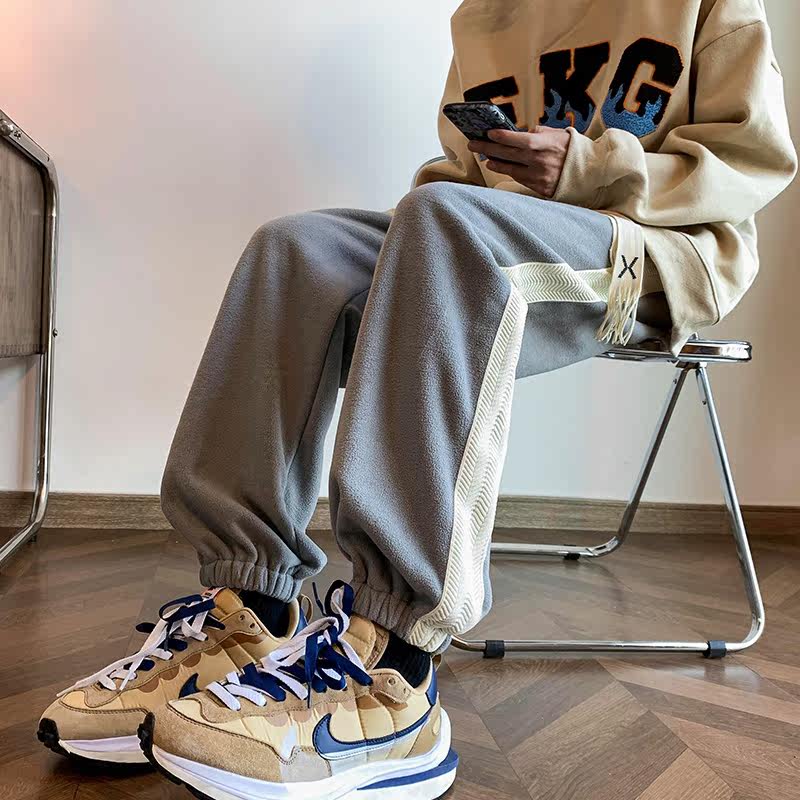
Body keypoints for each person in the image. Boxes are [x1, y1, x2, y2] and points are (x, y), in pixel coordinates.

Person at [39, 1, 795, 798]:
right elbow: (461, 185)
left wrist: (588, 167)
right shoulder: (487, 15)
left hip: (661, 252)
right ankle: (246, 603)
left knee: (444, 229)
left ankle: (394, 671)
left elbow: (754, 164)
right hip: (500, 233)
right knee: (295, 253)